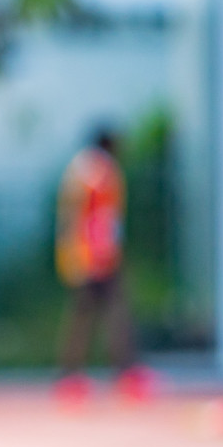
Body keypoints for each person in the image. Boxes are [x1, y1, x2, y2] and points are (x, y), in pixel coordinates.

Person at [54, 127, 151, 403]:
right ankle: (122, 373)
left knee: (88, 317)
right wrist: (97, 254)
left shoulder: (81, 168)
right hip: (96, 256)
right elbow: (97, 217)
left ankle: (74, 376)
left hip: (88, 255)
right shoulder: (98, 170)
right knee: (110, 316)